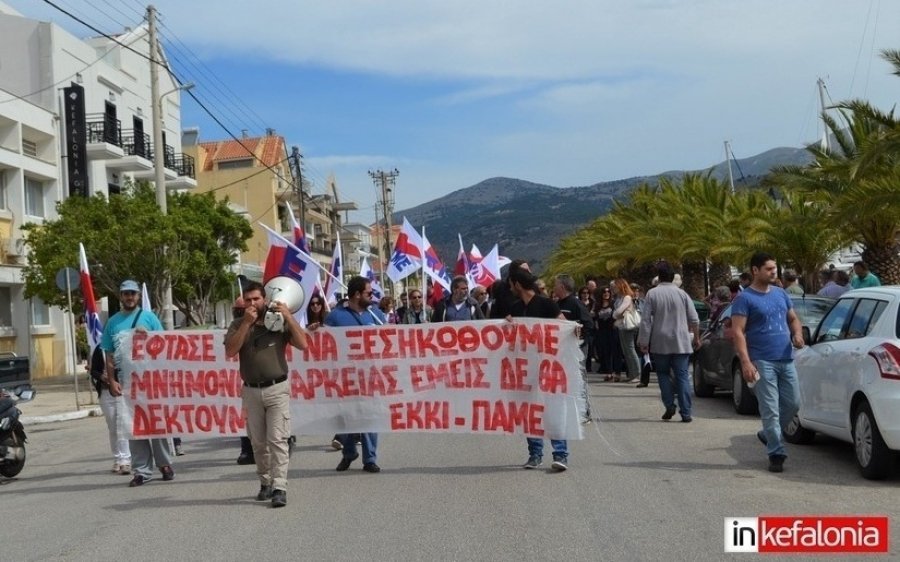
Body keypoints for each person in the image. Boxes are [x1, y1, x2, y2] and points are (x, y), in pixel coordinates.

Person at [224, 281, 308, 508]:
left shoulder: (278, 321)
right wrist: (246, 325)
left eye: (256, 299)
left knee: (277, 440)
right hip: (251, 390)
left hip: (277, 388)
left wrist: (289, 317)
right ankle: (266, 482)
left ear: (265, 298)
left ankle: (280, 487)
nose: (252, 303)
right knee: (258, 443)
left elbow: (303, 344)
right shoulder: (238, 324)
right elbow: (230, 351)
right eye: (248, 300)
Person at [731, 252, 805, 473]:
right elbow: (738, 332)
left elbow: (793, 319)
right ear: (755, 270)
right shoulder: (744, 299)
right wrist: (746, 362)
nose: (774, 272)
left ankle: (767, 434)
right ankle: (776, 452)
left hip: (785, 358)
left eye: (775, 268)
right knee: (770, 408)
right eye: (769, 269)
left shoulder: (781, 294)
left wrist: (797, 334)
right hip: (762, 361)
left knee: (793, 403)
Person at [102, 279, 172, 487]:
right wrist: (112, 380)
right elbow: (109, 354)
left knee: (156, 424)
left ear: (138, 296)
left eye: (132, 293)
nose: (129, 297)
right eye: (125, 294)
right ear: (121, 297)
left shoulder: (150, 318)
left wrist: (148, 336)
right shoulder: (112, 323)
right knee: (134, 426)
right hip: (127, 383)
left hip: (151, 381)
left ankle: (165, 464)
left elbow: (165, 346)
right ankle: (141, 470)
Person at [508, 268, 570, 471]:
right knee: (529, 411)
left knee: (553, 410)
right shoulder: (516, 308)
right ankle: (535, 454)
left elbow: (563, 326)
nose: (510, 288)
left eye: (511, 284)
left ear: (517, 284)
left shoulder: (546, 304)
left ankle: (560, 454)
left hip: (549, 366)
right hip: (526, 368)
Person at [323, 276, 386, 473]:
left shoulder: (375, 315)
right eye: (369, 293)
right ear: (357, 294)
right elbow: (323, 347)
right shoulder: (335, 317)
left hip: (370, 375)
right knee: (346, 417)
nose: (373, 296)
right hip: (345, 376)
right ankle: (349, 453)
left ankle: (370, 459)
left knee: (369, 416)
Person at [637, 263, 700, 423]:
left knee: (663, 374)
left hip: (660, 341)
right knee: (682, 376)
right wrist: (697, 338)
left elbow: (645, 321)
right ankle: (686, 412)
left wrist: (643, 341)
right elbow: (694, 319)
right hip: (681, 341)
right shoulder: (682, 294)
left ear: (659, 278)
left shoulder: (652, 294)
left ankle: (669, 405)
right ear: (673, 278)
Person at [554, 274, 593, 424]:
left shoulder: (576, 304)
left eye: (556, 284)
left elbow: (588, 324)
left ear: (562, 287)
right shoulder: (557, 305)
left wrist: (579, 333)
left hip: (578, 349)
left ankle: (585, 413)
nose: (554, 287)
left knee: (579, 379)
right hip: (562, 350)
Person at [90, 345, 131, 475]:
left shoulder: (124, 347)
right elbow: (94, 371)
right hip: (106, 393)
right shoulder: (100, 349)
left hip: (122, 392)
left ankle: (126, 460)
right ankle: (118, 458)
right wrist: (103, 377)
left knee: (122, 426)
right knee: (112, 427)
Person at [611, 279, 640, 383]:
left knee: (630, 349)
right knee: (626, 351)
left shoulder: (627, 297)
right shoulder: (620, 297)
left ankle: (636, 374)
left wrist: (614, 314)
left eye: (614, 286)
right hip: (621, 326)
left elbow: (618, 311)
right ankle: (632, 374)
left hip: (627, 326)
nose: (613, 289)